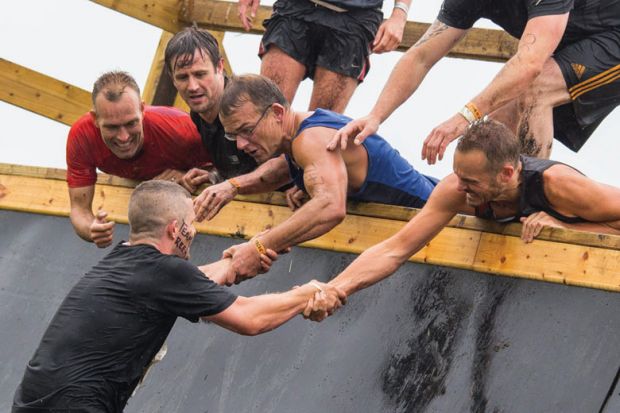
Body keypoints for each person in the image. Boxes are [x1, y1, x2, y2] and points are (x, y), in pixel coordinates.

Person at [12, 180, 345, 412]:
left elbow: (191, 282)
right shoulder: (164, 272)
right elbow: (249, 319)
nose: (194, 230)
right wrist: (306, 293)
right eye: (190, 223)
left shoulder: (124, 259)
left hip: (32, 402)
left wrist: (240, 258)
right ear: (175, 229)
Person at [304, 119, 620, 320]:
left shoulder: (560, 186)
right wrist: (334, 289)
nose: (460, 187)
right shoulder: (456, 188)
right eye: (458, 175)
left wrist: (567, 229)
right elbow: (395, 249)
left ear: (507, 173)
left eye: (471, 181)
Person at [331, 0, 620, 163]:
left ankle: (534, 198)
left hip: (612, 38)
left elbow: (530, 64)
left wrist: (462, 118)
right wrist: (375, 115)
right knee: (496, 134)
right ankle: (501, 206)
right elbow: (420, 56)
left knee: (534, 87)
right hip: (571, 44)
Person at [212, 74, 437, 281]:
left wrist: (259, 247)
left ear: (278, 113)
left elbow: (330, 207)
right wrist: (233, 186)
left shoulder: (310, 139)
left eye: (247, 130)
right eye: (233, 136)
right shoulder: (296, 137)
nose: (240, 145)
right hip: (420, 204)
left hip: (435, 219)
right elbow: (279, 171)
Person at [67, 71, 212, 248]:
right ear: (95, 119)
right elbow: (79, 210)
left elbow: (235, 169)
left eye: (131, 124)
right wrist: (91, 229)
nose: (123, 137)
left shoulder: (182, 131)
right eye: (112, 127)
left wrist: (197, 177)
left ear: (143, 110)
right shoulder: (83, 137)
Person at [164, 27, 295, 217]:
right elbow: (243, 165)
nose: (192, 86)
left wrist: (301, 179)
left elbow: (290, 154)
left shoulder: (244, 103)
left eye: (200, 74)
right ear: (172, 79)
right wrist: (215, 175)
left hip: (292, 205)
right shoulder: (198, 113)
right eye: (183, 77)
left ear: (219, 67)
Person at [238, 0, 412, 113]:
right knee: (267, 114)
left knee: (320, 130)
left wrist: (400, 13)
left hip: (355, 19)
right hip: (295, 9)